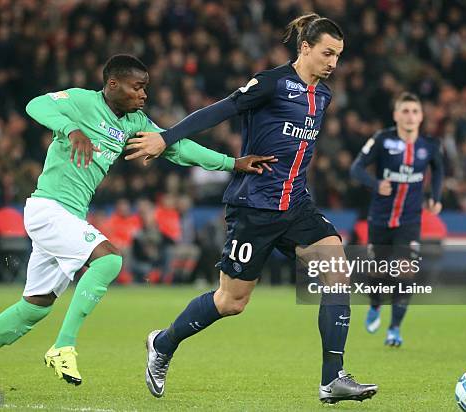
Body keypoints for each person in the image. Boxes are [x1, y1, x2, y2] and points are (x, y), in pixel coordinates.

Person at [0, 54, 275, 392]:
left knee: (34, 308)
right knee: (110, 258)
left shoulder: (135, 123)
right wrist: (71, 129)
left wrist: (232, 163)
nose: (144, 95)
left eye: (146, 88)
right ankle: (63, 346)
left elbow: (178, 147)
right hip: (47, 209)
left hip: (68, 217)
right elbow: (35, 105)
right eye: (137, 87)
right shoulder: (81, 101)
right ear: (113, 84)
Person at [126, 14, 378, 404]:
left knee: (337, 271)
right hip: (254, 207)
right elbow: (219, 111)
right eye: (327, 53)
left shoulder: (323, 96)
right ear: (305, 48)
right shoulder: (271, 83)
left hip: (296, 205)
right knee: (231, 302)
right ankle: (162, 342)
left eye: (339, 55)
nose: (333, 62)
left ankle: (333, 379)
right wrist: (165, 137)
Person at [350, 92, 444, 346]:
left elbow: (438, 171)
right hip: (379, 218)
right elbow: (356, 168)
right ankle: (375, 305)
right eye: (405, 111)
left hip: (410, 221)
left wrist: (435, 197)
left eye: (415, 111)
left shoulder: (430, 145)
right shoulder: (382, 140)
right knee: (377, 272)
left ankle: (394, 329)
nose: (410, 116)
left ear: (421, 116)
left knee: (405, 272)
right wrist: (375, 183)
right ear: (396, 115)